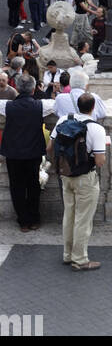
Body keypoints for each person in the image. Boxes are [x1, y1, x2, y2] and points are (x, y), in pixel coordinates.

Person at [48, 91, 106, 271]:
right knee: (83, 220)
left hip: (65, 175)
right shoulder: (96, 128)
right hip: (85, 178)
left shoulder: (63, 120)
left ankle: (67, 254)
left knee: (69, 215)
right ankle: (80, 259)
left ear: (77, 106)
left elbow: (50, 147)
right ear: (93, 108)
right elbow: (100, 161)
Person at [0, 73, 47, 230]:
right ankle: (34, 218)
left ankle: (23, 220)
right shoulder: (41, 106)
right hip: (33, 152)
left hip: (13, 152)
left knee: (17, 186)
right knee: (33, 184)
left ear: (18, 89)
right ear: (33, 89)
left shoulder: (7, 106)